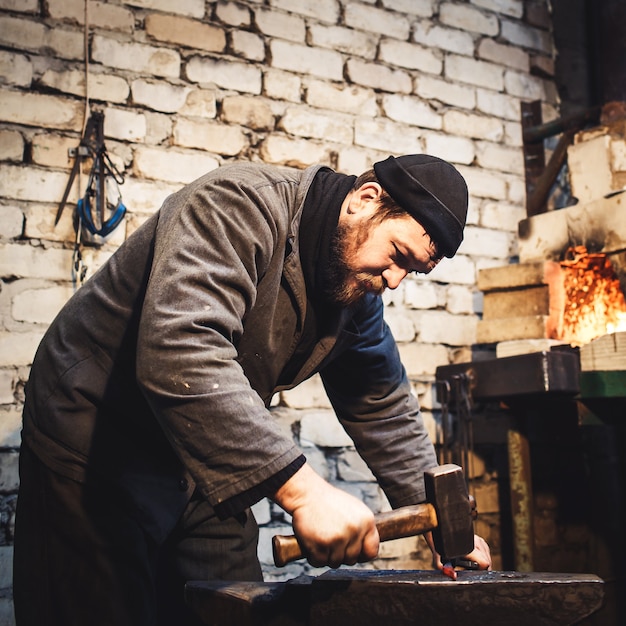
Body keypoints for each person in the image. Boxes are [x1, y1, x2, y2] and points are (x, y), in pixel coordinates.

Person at [13, 154, 491, 626]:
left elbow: (380, 400)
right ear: (366, 200)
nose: (393, 280)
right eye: (397, 256)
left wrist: (438, 512)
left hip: (203, 453)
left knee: (230, 609)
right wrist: (305, 494)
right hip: (96, 439)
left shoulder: (356, 289)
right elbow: (181, 347)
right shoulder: (237, 204)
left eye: (412, 272)